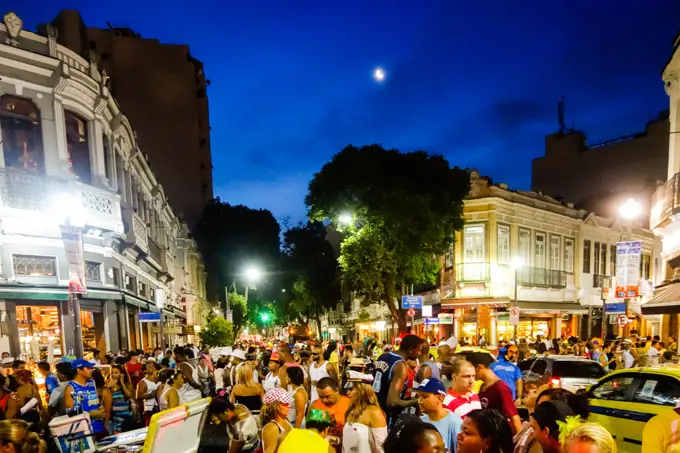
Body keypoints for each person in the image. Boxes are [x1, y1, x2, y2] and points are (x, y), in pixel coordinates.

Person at [374, 334, 422, 426]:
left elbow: (384, 384)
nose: (419, 354)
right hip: (387, 416)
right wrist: (415, 401)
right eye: (418, 350)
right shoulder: (400, 366)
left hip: (374, 408)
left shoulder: (383, 356)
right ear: (410, 350)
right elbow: (392, 402)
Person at [467, 352, 521, 434]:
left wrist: (521, 442)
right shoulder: (482, 386)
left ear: (479, 367)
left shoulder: (501, 388)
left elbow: (514, 416)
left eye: (471, 369)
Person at [343, 371, 387, 453]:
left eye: (351, 389)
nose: (347, 393)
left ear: (362, 390)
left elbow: (381, 447)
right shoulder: (350, 411)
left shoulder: (374, 412)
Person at [416, 378, 462, 453]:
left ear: (440, 398)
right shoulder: (419, 422)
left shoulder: (455, 423)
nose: (419, 401)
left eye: (424, 397)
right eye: (418, 396)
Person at [65, 359, 107, 440]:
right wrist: (90, 414)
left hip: (99, 427)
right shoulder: (71, 388)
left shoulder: (92, 383)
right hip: (84, 432)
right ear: (79, 370)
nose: (91, 370)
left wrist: (101, 408)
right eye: (88, 368)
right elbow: (70, 412)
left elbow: (95, 401)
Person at [311, 377, 351, 449]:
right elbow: (313, 431)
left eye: (328, 396)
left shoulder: (349, 404)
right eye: (321, 397)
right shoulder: (316, 405)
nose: (324, 400)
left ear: (337, 390)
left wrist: (339, 440)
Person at [261, 388, 294, 453]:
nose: (289, 406)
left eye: (288, 402)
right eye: (285, 403)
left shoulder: (285, 420)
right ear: (275, 406)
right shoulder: (271, 428)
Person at [108, 364, 134, 434]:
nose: (113, 375)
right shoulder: (109, 386)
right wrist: (107, 387)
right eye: (112, 373)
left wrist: (122, 383)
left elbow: (129, 395)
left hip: (126, 418)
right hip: (115, 418)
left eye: (116, 373)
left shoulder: (128, 384)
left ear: (122, 374)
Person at [137, 361, 159, 426]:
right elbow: (138, 396)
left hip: (159, 407)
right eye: (150, 367)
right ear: (145, 371)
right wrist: (150, 395)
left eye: (153, 366)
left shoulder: (159, 379)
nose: (153, 368)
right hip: (150, 409)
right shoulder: (143, 382)